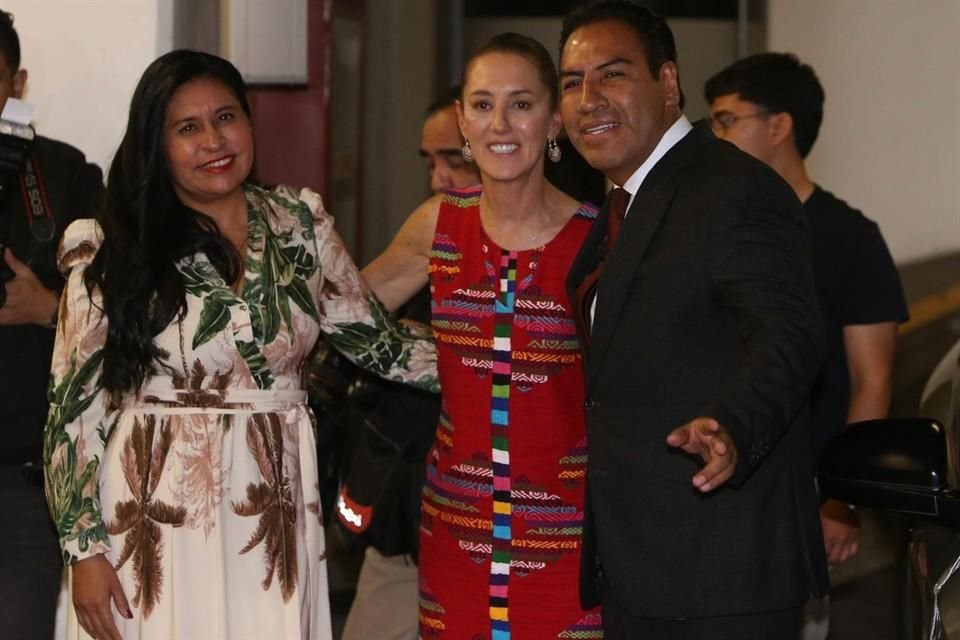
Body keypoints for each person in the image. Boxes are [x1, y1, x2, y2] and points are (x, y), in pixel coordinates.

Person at [42, 49, 436, 640]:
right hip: (151, 518)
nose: (213, 140)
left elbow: (378, 343)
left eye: (226, 117)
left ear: (250, 122)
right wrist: (85, 550)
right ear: (158, 144)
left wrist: (500, 356)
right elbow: (72, 411)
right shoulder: (110, 246)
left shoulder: (299, 226)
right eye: (187, 128)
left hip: (269, 513)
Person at [558, 2, 828, 638]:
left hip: (723, 572)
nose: (589, 98)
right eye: (572, 82)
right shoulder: (625, 205)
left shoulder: (732, 187)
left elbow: (790, 333)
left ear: (669, 82)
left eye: (613, 74)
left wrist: (735, 424)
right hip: (639, 569)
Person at [363, 32, 603, 638]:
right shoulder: (438, 223)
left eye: (521, 104)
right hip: (455, 538)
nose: (501, 122)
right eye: (482, 104)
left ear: (554, 122)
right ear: (464, 124)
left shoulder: (599, 240)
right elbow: (344, 318)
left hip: (568, 542)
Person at [704, 53, 909, 569]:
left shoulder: (850, 238)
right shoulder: (708, 231)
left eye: (727, 120)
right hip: (711, 489)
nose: (714, 136)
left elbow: (872, 380)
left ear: (780, 126)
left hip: (803, 495)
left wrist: (842, 500)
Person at [335, 87, 480, 640]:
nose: (439, 176)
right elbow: (336, 315)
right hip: (403, 521)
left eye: (454, 158)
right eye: (430, 160)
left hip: (512, 524)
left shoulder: (567, 238)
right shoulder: (431, 230)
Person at [0, 9, 104, 638]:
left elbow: (120, 302)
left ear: (18, 83)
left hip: (25, 476)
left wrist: (48, 307)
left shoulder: (62, 175)